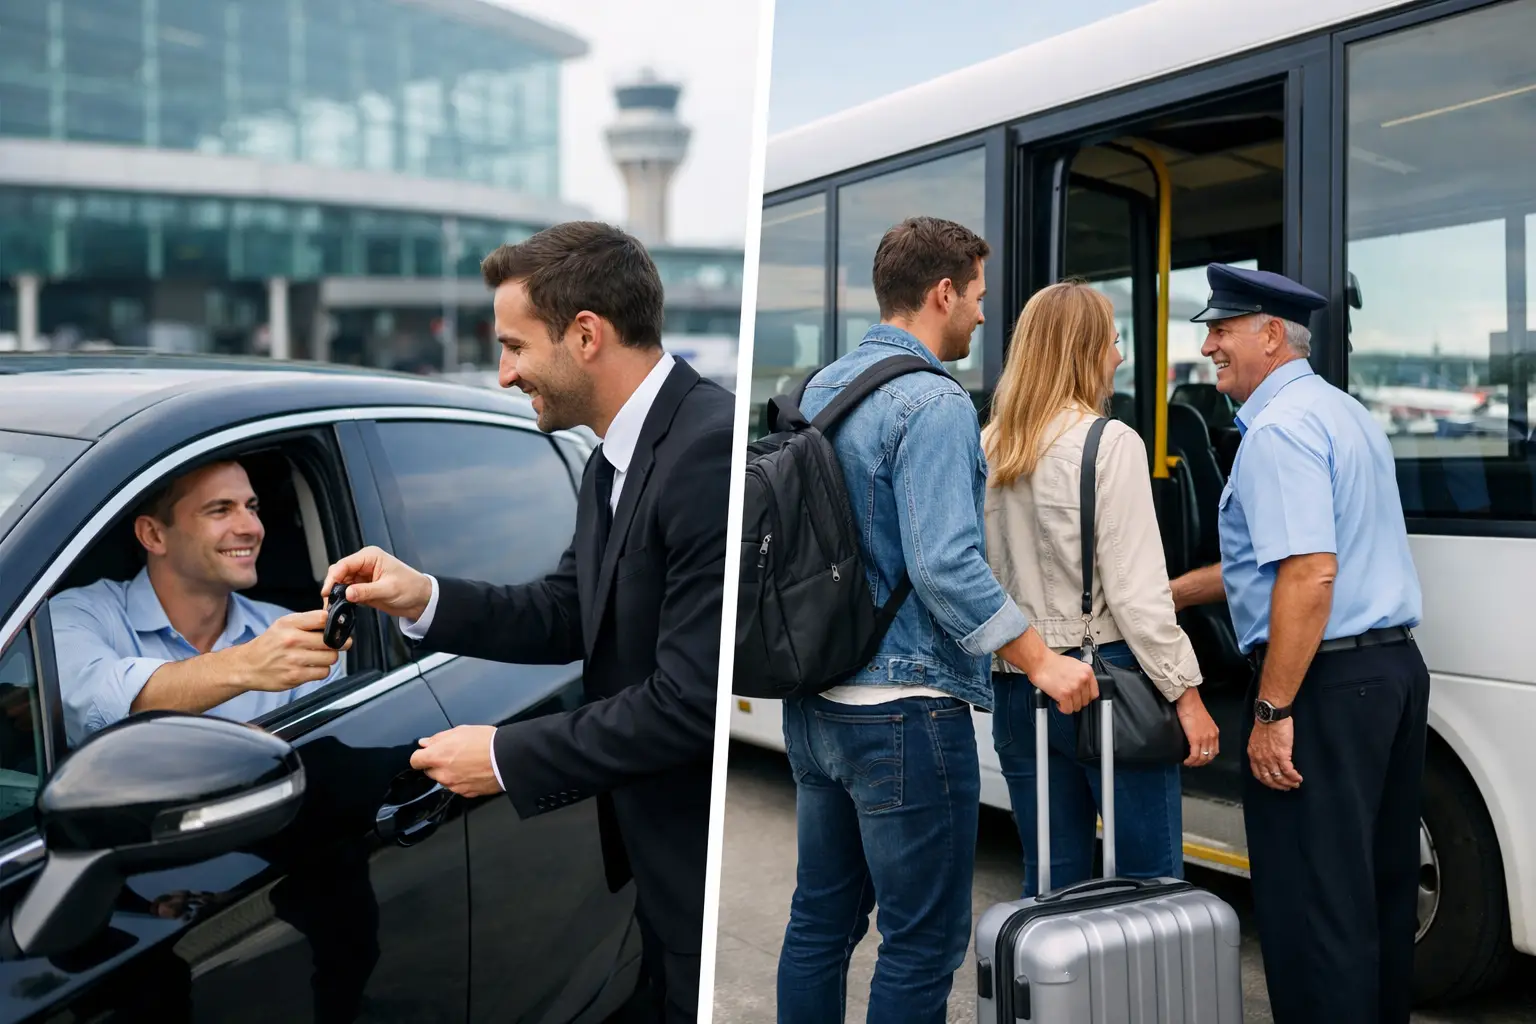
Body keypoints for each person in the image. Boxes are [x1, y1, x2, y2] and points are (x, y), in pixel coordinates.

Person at [322, 221, 732, 1024]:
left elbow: (691, 702)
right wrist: (424, 596)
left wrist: (505, 754)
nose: (504, 374)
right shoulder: (616, 452)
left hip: (692, 859)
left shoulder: (706, 453)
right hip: (652, 860)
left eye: (514, 346)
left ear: (586, 335)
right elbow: (564, 611)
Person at [773, 216, 1096, 1024]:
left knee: (820, 922)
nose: (984, 317)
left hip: (816, 704)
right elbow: (945, 562)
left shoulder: (822, 388)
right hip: (903, 713)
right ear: (942, 292)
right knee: (921, 944)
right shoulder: (934, 403)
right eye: (978, 298)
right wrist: (1041, 660)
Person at [1169, 262, 1427, 1024]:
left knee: (1314, 906)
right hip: (1389, 671)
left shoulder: (1276, 432)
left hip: (1321, 685)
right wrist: (1172, 594)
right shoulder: (1341, 412)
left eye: (1221, 329)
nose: (1209, 344)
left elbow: (1309, 575)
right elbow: (1283, 561)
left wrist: (1273, 709)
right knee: (1376, 894)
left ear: (1271, 335)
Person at [982, 281, 1220, 896]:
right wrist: (1186, 695)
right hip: (1106, 684)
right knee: (1149, 889)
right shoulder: (1109, 443)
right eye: (1115, 340)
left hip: (1018, 683)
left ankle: (1057, 993)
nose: (1120, 355)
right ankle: (1144, 997)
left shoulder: (991, 443)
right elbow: (1140, 597)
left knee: (1051, 884)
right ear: (1083, 349)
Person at [50, 460, 344, 747]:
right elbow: (98, 706)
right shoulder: (76, 615)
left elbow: (317, 761)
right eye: (220, 510)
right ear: (153, 535)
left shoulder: (291, 636)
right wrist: (246, 665)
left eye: (252, 507)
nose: (252, 528)